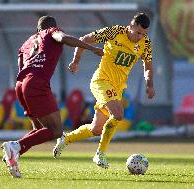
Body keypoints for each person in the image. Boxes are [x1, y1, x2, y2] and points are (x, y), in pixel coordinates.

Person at [1, 15, 103, 178]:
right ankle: (15, 146)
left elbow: (20, 67)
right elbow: (62, 38)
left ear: (37, 29)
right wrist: (91, 48)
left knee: (39, 130)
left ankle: (13, 155)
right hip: (36, 83)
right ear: (52, 27)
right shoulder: (50, 32)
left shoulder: (26, 43)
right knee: (56, 130)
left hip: (20, 85)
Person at [53, 13, 155, 168]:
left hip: (117, 88)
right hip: (101, 81)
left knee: (96, 129)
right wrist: (76, 61)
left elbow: (147, 67)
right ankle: (100, 153)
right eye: (138, 33)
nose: (140, 37)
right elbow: (85, 40)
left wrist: (149, 84)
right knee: (118, 114)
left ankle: (65, 139)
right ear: (131, 26)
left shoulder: (145, 43)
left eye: (144, 34)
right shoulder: (115, 32)